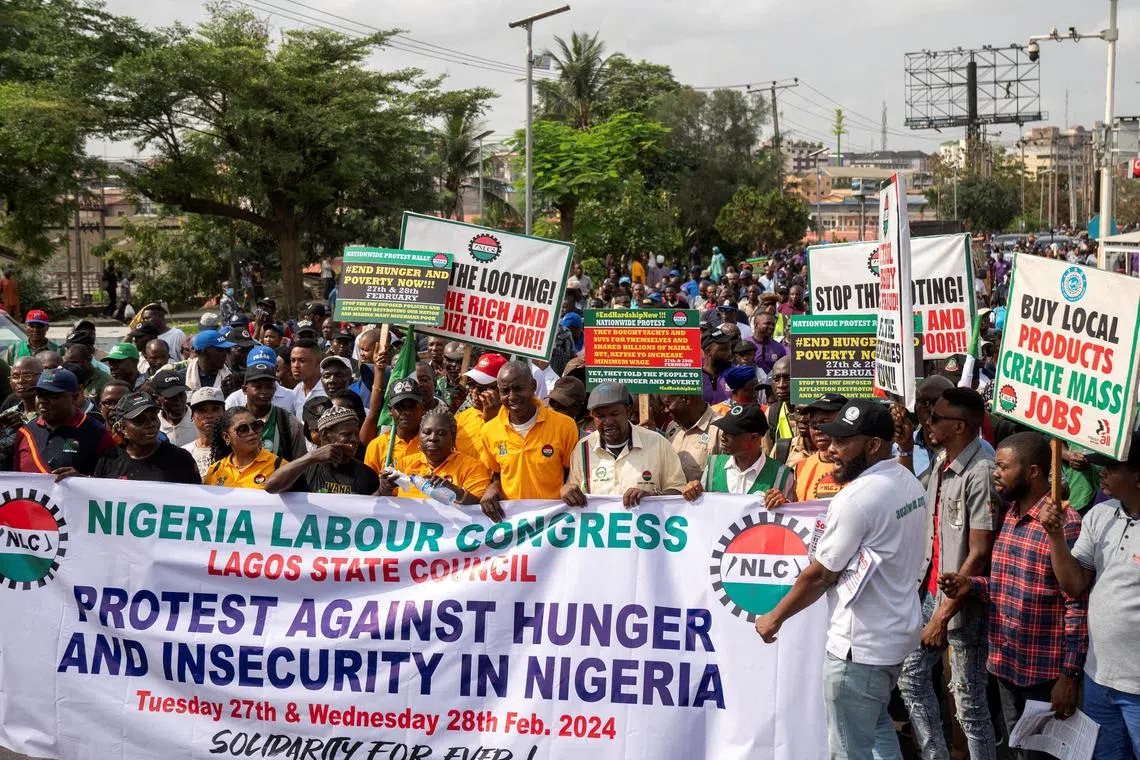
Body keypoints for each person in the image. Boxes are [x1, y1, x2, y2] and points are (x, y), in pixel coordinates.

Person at [754, 399, 928, 760]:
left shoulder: (857, 497)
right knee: (877, 727)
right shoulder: (906, 479)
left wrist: (774, 617)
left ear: (873, 445)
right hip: (893, 637)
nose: (831, 450)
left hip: (859, 648)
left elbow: (820, 575)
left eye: (843, 442)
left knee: (848, 750)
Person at [939, 432, 1087, 760]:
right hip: (1006, 666)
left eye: (1003, 467)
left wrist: (1069, 675)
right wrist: (972, 585)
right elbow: (1012, 587)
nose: (995, 474)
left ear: (1033, 472)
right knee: (1017, 750)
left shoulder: (1064, 523)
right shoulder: (1007, 515)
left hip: (1045, 676)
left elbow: (1075, 603)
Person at [897, 388, 998, 760]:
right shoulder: (942, 460)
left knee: (969, 704)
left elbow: (980, 552)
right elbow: (913, 495)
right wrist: (906, 448)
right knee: (910, 679)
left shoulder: (981, 471)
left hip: (963, 602)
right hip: (931, 590)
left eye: (935, 417)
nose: (927, 421)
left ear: (958, 426)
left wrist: (942, 616)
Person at [1039, 436, 1140, 760]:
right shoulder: (1099, 515)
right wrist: (1055, 536)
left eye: (1111, 467)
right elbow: (1074, 585)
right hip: (1099, 678)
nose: (1102, 474)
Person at [478, 360, 579, 520]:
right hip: (513, 523)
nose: (512, 396)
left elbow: (572, 474)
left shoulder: (565, 425)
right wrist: (491, 489)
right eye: (505, 391)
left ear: (533, 386)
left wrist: (568, 486)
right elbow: (497, 475)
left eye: (518, 388)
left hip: (554, 523)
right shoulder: (489, 431)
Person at [562, 382, 687, 508]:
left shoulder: (658, 443)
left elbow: (679, 492)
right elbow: (574, 493)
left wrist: (652, 497)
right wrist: (567, 491)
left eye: (614, 414)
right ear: (592, 416)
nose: (608, 422)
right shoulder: (583, 449)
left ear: (627, 411)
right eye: (600, 416)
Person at [7, 368, 114, 476]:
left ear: (74, 397)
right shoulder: (25, 432)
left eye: (52, 395)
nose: (43, 401)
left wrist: (83, 480)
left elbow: (111, 483)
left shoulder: (98, 434)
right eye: (39, 395)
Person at [684, 404, 794, 501]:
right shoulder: (713, 466)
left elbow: (791, 519)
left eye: (732, 432)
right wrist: (693, 491)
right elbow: (702, 509)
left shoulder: (782, 475)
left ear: (754, 438)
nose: (723, 437)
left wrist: (784, 504)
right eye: (724, 431)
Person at [387, 407, 491, 506]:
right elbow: (379, 504)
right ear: (419, 435)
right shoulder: (404, 464)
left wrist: (453, 491)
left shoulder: (472, 468)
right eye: (427, 433)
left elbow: (480, 509)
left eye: (441, 433)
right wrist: (384, 488)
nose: (433, 438)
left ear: (453, 437)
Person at [265, 406, 379, 496]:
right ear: (325, 435)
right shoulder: (304, 469)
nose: (354, 440)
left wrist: (383, 490)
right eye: (346, 434)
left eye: (356, 434)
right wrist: (311, 457)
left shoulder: (366, 474)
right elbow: (271, 487)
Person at [94, 392, 200, 483]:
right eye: (140, 420)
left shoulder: (180, 459)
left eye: (153, 417)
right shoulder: (109, 461)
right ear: (123, 427)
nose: (150, 424)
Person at [203, 408, 285, 489]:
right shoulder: (215, 470)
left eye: (255, 426)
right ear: (226, 437)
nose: (252, 432)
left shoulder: (279, 466)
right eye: (242, 429)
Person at [240, 363, 306, 461]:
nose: (264, 391)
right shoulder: (234, 421)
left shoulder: (289, 423)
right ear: (245, 390)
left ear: (275, 389)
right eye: (258, 387)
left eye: (269, 386)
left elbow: (301, 463)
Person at [363, 377, 424, 481]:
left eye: (412, 406)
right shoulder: (377, 446)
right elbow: (369, 487)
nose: (407, 412)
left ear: (422, 408)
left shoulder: (432, 443)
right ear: (391, 410)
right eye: (400, 407)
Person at [793, 394, 848, 501]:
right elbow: (798, 509)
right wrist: (783, 504)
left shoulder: (860, 464)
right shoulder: (801, 466)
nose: (817, 429)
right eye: (813, 424)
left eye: (825, 422)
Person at [663, 393, 723, 483]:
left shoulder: (720, 429)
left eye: (668, 404)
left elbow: (726, 478)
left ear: (686, 399)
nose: (666, 410)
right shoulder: (672, 427)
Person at [182, 387, 225, 477]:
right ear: (192, 416)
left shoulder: (236, 450)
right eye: (202, 410)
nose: (209, 415)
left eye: (215, 409)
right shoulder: (185, 452)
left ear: (224, 412)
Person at [150, 369, 197, 447]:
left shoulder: (200, 422)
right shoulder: (152, 427)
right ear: (157, 399)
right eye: (171, 396)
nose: (178, 400)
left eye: (181, 394)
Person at [288, 339, 325, 417]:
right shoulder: (296, 391)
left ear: (318, 362)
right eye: (293, 360)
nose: (296, 365)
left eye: (302, 360)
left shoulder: (329, 390)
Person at [700, 328, 733, 405]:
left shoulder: (735, 374)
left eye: (729, 348)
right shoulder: (695, 378)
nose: (729, 353)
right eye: (723, 349)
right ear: (708, 352)